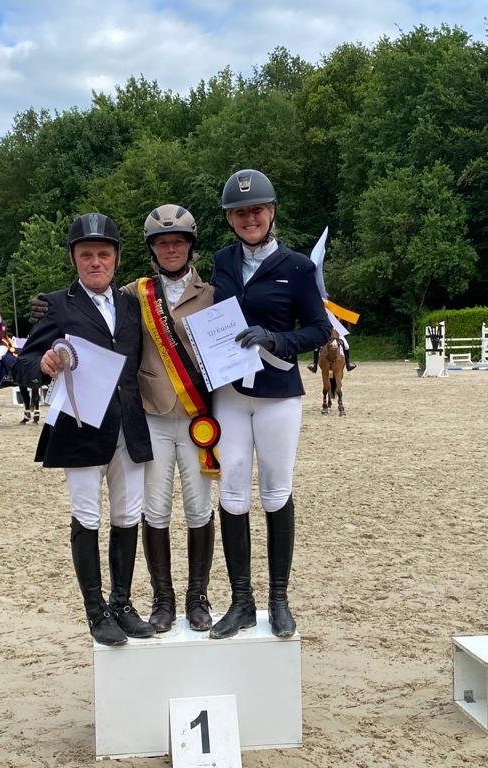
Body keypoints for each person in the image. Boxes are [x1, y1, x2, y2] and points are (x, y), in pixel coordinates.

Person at [12, 213, 155, 647]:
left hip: (128, 424)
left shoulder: (131, 305)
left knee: (128, 515)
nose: (96, 262)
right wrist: (41, 364)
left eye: (103, 254)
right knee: (88, 516)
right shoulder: (57, 305)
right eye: (86, 254)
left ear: (116, 258)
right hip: (80, 426)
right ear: (74, 259)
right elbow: (23, 361)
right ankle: (96, 611)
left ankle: (122, 603)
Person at [208, 169, 332, 640]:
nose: (249, 218)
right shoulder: (222, 261)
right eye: (240, 212)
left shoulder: (297, 267)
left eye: (256, 210)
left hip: (278, 393)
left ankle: (279, 598)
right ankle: (241, 601)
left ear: (271, 212)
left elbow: (320, 329)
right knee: (232, 490)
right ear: (230, 219)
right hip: (230, 395)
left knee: (276, 490)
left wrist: (277, 338)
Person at [123, 204, 216, 633]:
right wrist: (55, 307)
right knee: (156, 508)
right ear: (153, 249)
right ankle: (163, 599)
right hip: (154, 416)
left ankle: (198, 597)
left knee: (199, 508)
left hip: (199, 418)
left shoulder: (211, 294)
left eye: (178, 241)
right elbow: (95, 306)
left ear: (190, 246)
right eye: (163, 243)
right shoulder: (134, 293)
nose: (171, 248)